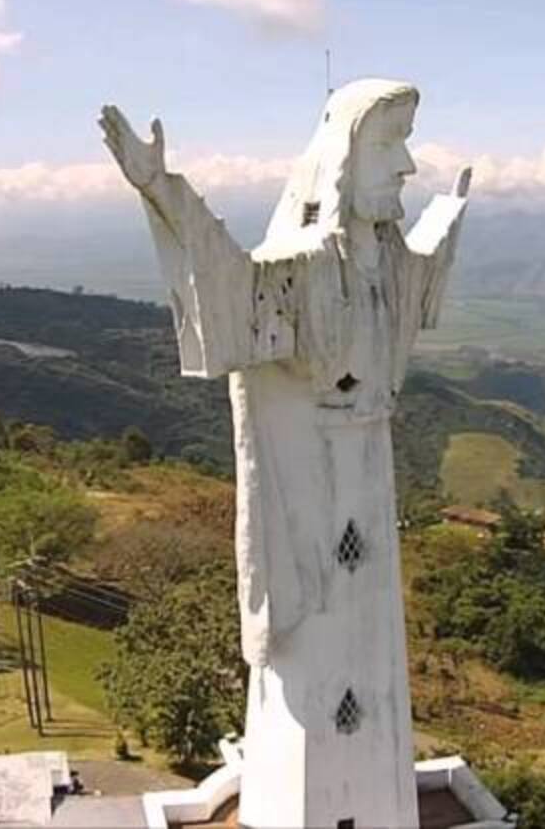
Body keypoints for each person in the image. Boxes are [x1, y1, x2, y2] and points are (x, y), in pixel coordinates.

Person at [101, 80, 472, 828]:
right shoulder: (304, 267)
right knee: (317, 651)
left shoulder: (388, 263)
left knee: (366, 644)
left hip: (370, 469)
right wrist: (160, 188)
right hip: (315, 483)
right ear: (340, 159)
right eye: (389, 144)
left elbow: (422, 268)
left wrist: (448, 212)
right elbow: (230, 288)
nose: (406, 165)